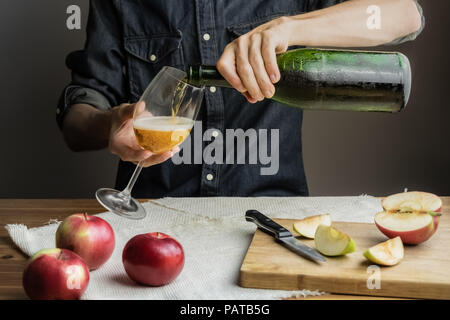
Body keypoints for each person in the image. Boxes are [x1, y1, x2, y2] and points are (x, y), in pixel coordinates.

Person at [57, 0, 424, 198]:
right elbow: (77, 123)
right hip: (154, 216)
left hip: (270, 218)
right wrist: (112, 123)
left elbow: (403, 13)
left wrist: (291, 27)